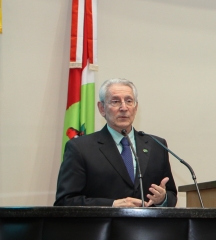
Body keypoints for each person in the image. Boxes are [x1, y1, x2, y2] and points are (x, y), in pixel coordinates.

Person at [54, 78, 178, 207]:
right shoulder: (80, 148)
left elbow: (171, 195)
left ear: (135, 108)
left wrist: (162, 199)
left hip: (146, 226)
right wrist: (111, 205)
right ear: (102, 108)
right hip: (104, 226)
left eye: (129, 101)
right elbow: (65, 201)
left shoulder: (157, 145)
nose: (123, 107)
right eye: (115, 101)